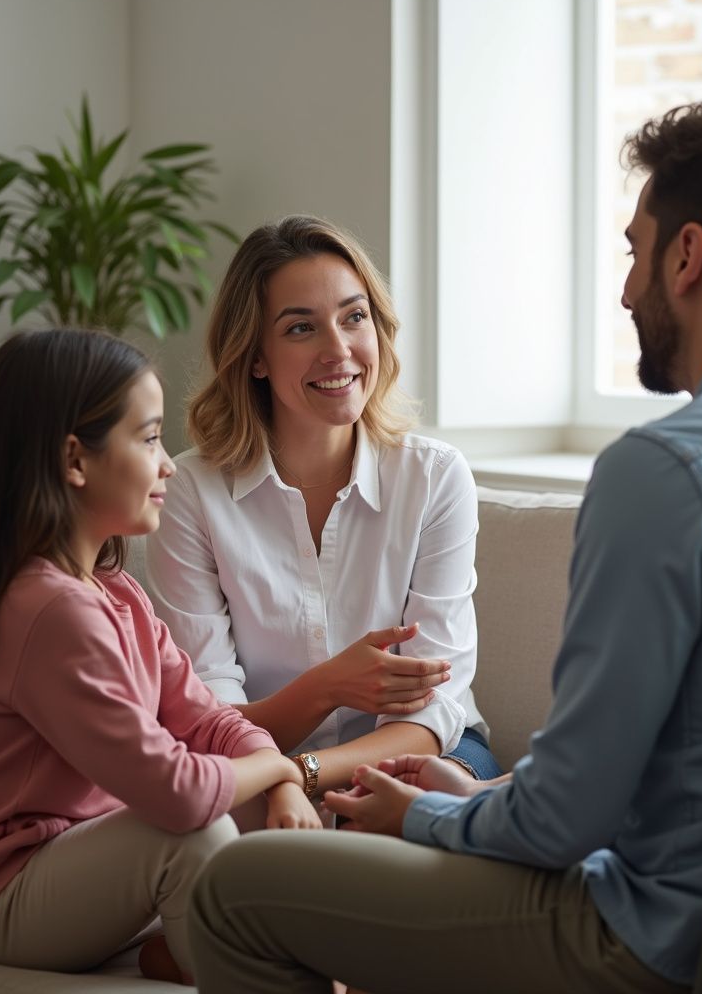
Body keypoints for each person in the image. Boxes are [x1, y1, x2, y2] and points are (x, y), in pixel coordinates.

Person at [184, 102, 702, 994]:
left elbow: (568, 820)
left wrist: (426, 817)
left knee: (230, 892)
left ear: (687, 257)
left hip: (656, 940)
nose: (624, 291)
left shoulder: (664, 471)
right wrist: (482, 801)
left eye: (633, 250)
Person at [0, 330, 319, 986]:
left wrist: (280, 783)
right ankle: (256, 968)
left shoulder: (116, 591)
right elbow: (178, 793)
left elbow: (207, 719)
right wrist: (278, 765)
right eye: (151, 437)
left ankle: (236, 954)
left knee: (283, 815)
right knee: (196, 834)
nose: (170, 466)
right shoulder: (47, 611)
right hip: (6, 897)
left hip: (91, 861)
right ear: (75, 460)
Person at [145, 214, 499, 804]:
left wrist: (300, 774)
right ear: (255, 355)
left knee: (420, 801)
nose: (339, 351)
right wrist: (326, 688)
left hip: (421, 752)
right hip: (256, 766)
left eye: (353, 317)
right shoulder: (190, 494)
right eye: (301, 328)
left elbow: (432, 708)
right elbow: (209, 718)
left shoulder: (435, 478)